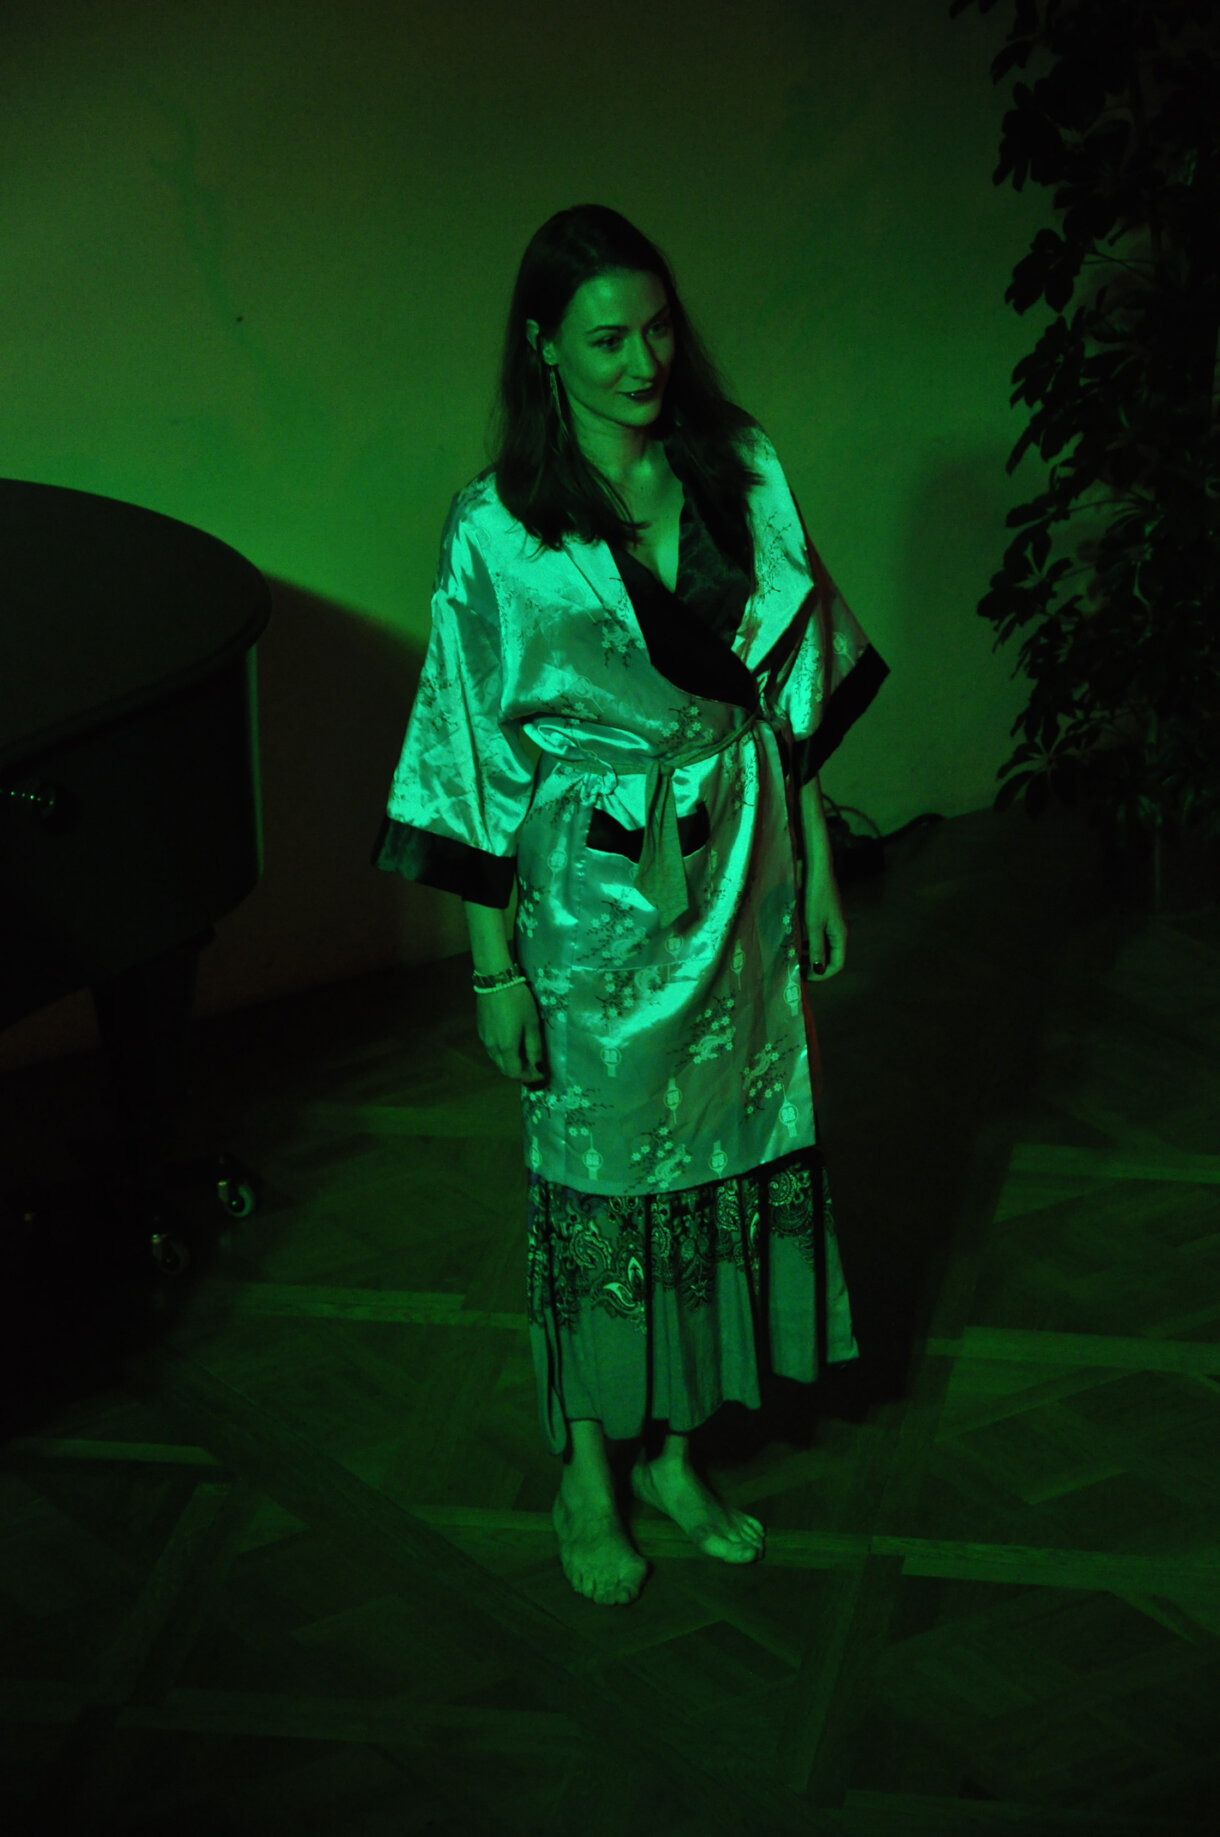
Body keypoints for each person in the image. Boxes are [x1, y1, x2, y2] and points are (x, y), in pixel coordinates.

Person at [372, 204, 889, 1607]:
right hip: (591, 900)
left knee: (726, 1150)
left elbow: (790, 688)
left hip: (742, 867)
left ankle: (673, 1449)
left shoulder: (741, 466)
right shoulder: (498, 531)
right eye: (606, 340)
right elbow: (466, 759)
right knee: (600, 1178)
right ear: (545, 348)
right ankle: (587, 1472)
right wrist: (495, 973)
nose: (642, 361)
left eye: (657, 328)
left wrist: (817, 858)